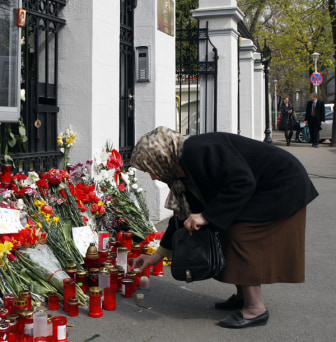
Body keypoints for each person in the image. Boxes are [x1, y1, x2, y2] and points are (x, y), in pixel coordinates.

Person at [131, 127, 318, 329]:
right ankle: (243, 297)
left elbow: (242, 182)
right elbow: (182, 218)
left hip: (283, 184)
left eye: (149, 168)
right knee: (227, 229)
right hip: (263, 186)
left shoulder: (197, 152)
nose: (151, 176)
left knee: (240, 234)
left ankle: (256, 308)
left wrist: (206, 216)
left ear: (161, 157)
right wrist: (156, 256)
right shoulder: (179, 170)